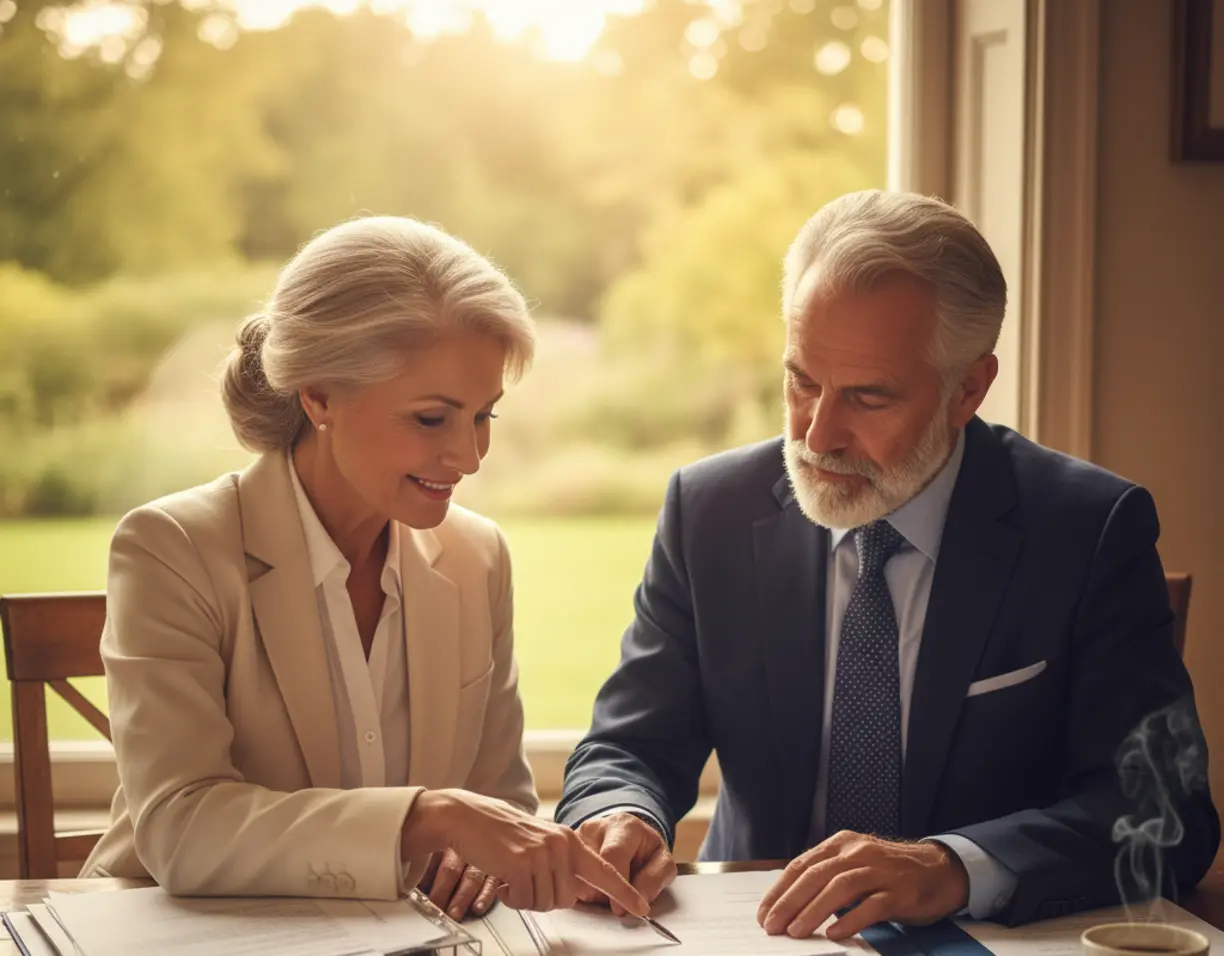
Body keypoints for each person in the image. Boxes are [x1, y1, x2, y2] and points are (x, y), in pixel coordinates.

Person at [557, 190, 1219, 934]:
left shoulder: (1088, 530)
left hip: (984, 940)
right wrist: (620, 813)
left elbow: (1167, 815)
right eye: (803, 381)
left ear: (969, 389)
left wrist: (952, 867)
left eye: (868, 398)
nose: (818, 435)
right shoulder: (709, 512)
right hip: (753, 934)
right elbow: (631, 744)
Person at [81, 216, 648, 923]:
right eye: (432, 419)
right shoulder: (171, 548)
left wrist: (484, 857)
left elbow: (498, 804)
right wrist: (428, 818)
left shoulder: (478, 559)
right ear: (318, 396)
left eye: (484, 417)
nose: (470, 457)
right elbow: (182, 828)